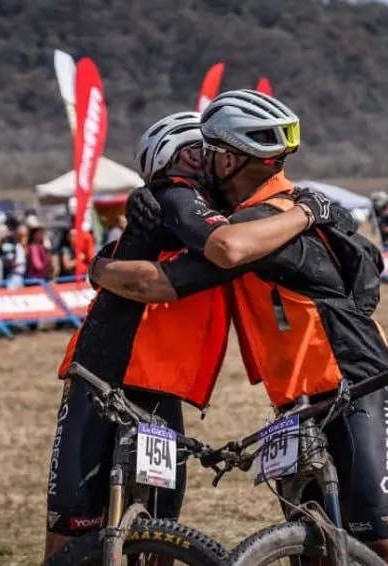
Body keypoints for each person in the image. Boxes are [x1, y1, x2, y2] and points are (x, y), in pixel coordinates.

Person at [87, 90, 388, 566]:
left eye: (212, 153)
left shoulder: (271, 222)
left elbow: (204, 260)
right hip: (293, 401)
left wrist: (98, 269)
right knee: (315, 543)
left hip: (355, 384)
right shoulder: (267, 214)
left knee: (385, 543)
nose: (205, 162)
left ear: (233, 159)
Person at [44, 109, 334, 560]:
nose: (215, 160)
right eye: (203, 151)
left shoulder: (195, 209)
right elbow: (222, 250)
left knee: (110, 522)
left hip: (149, 382)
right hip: (113, 376)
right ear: (178, 157)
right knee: (82, 525)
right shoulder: (176, 195)